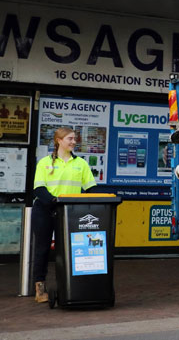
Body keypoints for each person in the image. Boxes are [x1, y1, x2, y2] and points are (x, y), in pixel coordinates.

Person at [31, 127, 96, 303]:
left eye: (74, 139)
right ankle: (39, 287)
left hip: (69, 212)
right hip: (45, 210)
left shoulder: (80, 163)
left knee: (67, 250)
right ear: (59, 140)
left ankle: (66, 285)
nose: (74, 142)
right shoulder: (44, 162)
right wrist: (54, 202)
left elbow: (91, 188)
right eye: (70, 139)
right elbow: (39, 188)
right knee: (43, 249)